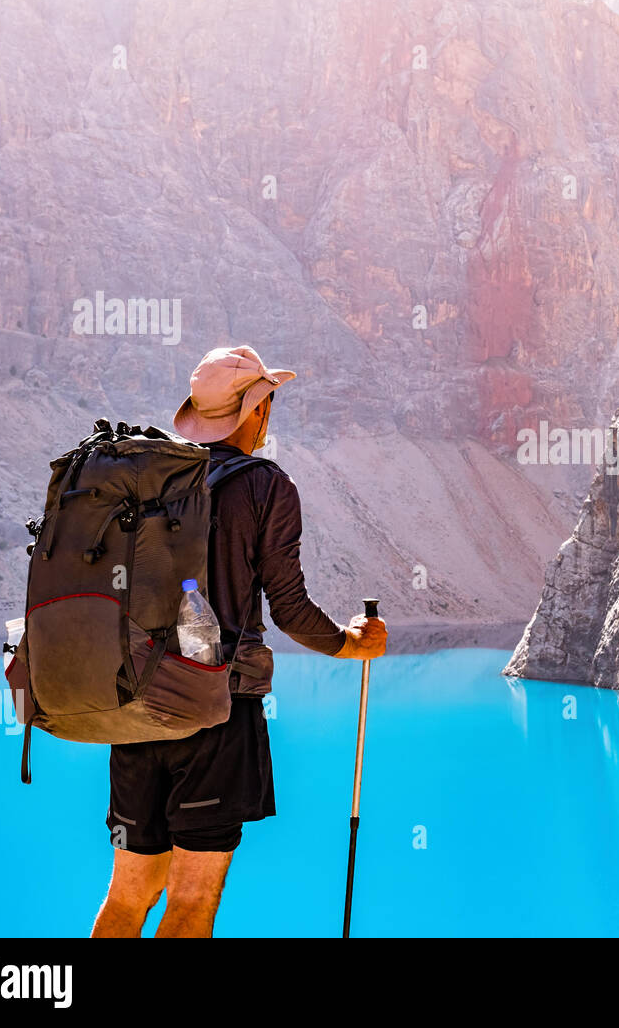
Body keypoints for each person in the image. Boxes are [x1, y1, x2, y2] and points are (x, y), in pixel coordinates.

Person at [90, 345, 387, 938]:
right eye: (267, 399)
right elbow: (291, 608)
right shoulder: (264, 486)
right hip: (214, 714)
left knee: (128, 896)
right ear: (256, 410)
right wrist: (350, 645)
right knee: (192, 903)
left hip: (133, 711)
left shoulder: (147, 480)